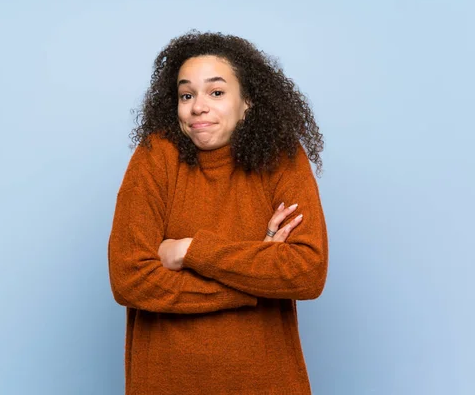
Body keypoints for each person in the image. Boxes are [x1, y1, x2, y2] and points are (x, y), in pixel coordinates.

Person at [108, 31, 328, 395]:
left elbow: (307, 271)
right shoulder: (154, 157)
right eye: (186, 95)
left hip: (266, 382)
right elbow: (129, 278)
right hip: (166, 382)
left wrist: (189, 251)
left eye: (217, 92)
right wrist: (254, 279)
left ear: (247, 102)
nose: (198, 106)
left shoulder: (283, 157)